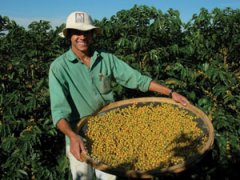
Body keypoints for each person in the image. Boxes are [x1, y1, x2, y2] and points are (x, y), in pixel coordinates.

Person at [48, 11, 189, 180]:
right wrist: (73, 136)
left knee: (109, 177)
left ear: (92, 35)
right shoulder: (59, 67)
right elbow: (59, 112)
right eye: (77, 32)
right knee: (82, 176)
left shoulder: (106, 59)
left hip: (111, 131)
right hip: (78, 136)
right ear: (69, 35)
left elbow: (137, 79)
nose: (82, 37)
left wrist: (171, 92)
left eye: (86, 32)